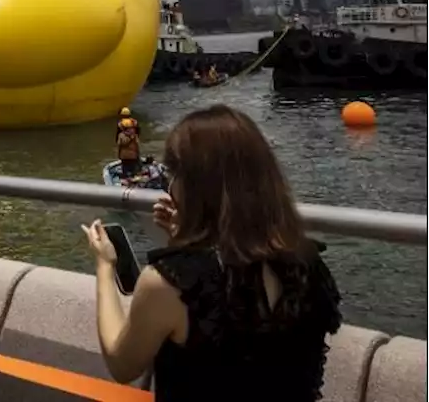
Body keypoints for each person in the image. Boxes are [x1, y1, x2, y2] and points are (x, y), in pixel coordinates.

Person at [82, 105, 342, 400]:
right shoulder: (308, 264)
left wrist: (105, 265)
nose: (171, 187)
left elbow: (121, 363)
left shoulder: (168, 284)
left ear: (193, 188)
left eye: (176, 175)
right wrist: (183, 245)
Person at [116, 109, 141, 179]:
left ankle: (125, 181)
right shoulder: (134, 135)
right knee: (134, 172)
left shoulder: (121, 135)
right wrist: (137, 155)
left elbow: (119, 145)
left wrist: (119, 155)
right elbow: (137, 145)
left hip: (124, 157)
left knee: (125, 172)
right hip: (133, 156)